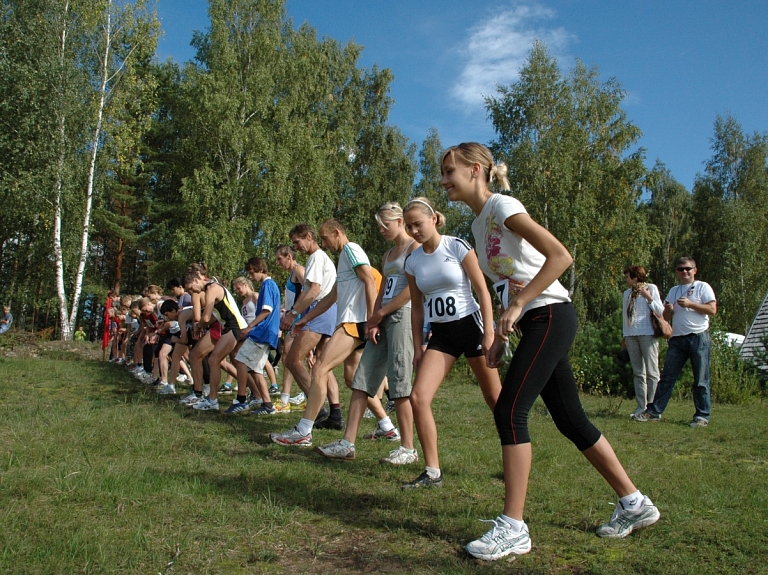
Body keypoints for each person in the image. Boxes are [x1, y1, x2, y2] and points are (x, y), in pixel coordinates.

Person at [440, 143, 659, 561]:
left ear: (475, 170)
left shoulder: (503, 206)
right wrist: (504, 328)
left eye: (450, 170)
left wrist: (520, 307)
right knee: (571, 419)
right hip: (534, 321)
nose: (444, 179)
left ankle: (514, 528)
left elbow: (561, 257)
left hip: (551, 316)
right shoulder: (479, 224)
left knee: (509, 411)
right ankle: (635, 503)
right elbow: (512, 280)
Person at [400, 197, 502, 489]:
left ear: (433, 220)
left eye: (418, 224)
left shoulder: (456, 245)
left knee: (495, 398)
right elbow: (417, 307)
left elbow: (483, 290)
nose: (414, 230)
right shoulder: (412, 261)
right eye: (409, 227)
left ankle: (513, 456)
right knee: (419, 397)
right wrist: (418, 345)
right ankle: (432, 472)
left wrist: (489, 333)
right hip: (441, 335)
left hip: (471, 326)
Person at [314, 202, 420, 464]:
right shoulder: (387, 255)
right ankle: (347, 444)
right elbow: (383, 288)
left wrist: (382, 314)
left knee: (400, 383)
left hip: (402, 317)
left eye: (385, 224)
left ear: (399, 221)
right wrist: (374, 319)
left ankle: (407, 448)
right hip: (382, 319)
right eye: (379, 225)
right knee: (361, 381)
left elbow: (412, 291)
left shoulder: (415, 249)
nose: (381, 229)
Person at [271, 218, 379, 446]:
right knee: (352, 379)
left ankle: (304, 430)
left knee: (319, 367)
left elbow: (370, 280)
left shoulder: (351, 249)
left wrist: (372, 321)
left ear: (337, 233)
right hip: (350, 322)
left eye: (325, 238)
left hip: (355, 323)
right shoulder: (342, 259)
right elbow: (331, 297)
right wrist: (305, 319)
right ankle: (387, 427)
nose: (323, 242)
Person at [637, 257, 717, 427]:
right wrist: (668, 311)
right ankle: (653, 412)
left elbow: (712, 309)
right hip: (677, 339)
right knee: (667, 377)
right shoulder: (674, 290)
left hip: (698, 336)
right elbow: (665, 318)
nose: (684, 272)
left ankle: (702, 416)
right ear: (677, 272)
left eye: (688, 269)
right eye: (681, 269)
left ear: (694, 270)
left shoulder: (703, 287)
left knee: (701, 379)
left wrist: (690, 304)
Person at [276, 224, 339, 418]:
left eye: (297, 241)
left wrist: (293, 314)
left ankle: (317, 409)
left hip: (319, 311)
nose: (296, 247)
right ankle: (335, 414)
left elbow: (314, 291)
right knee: (321, 364)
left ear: (309, 237)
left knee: (292, 360)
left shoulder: (316, 257)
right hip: (327, 311)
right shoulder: (320, 258)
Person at [229, 258, 282, 415]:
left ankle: (241, 400)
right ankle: (266, 404)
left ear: (260, 269)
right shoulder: (270, 285)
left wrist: (249, 327)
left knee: (239, 359)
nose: (251, 277)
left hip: (262, 332)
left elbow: (266, 310)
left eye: (252, 273)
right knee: (255, 369)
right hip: (266, 332)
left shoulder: (267, 285)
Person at [622, 266, 664, 419]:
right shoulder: (627, 293)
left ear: (635, 277)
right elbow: (624, 317)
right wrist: (625, 336)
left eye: (627, 276)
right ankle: (641, 407)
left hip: (648, 334)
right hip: (631, 335)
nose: (625, 279)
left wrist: (649, 298)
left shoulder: (651, 288)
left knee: (652, 372)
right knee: (638, 373)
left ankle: (653, 409)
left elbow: (661, 311)